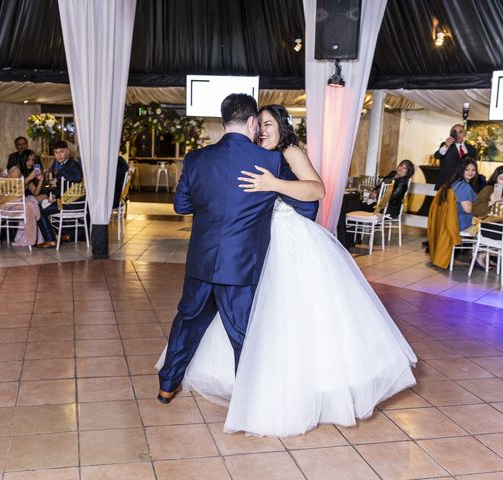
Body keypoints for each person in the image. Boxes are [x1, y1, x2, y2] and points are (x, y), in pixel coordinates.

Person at [156, 103, 417, 437]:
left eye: (268, 124)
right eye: (260, 124)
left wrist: (273, 184)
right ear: (250, 124)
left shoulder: (283, 154)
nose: (263, 130)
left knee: (269, 319)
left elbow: (316, 192)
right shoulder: (253, 155)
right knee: (242, 326)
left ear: (279, 125)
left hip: (280, 243)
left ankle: (252, 393)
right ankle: (241, 390)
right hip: (249, 252)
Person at [156, 94, 321, 405]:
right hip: (241, 266)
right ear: (251, 122)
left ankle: (167, 386)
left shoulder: (196, 159)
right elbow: (308, 204)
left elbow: (181, 205)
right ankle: (248, 400)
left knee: (187, 321)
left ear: (223, 121)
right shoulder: (271, 163)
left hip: (201, 262)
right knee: (243, 334)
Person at [36, 141, 84, 248]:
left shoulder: (74, 164)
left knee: (39, 211)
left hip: (73, 203)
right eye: (56, 152)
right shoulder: (56, 164)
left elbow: (77, 178)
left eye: (61, 152)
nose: (59, 155)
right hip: (63, 201)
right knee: (39, 206)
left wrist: (59, 177)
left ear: (67, 151)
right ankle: (59, 235)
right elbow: (56, 185)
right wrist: (52, 195)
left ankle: (50, 239)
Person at [0, 165, 41, 250]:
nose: (14, 179)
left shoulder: (21, 181)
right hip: (8, 208)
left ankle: (30, 240)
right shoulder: (4, 183)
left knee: (32, 204)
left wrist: (39, 180)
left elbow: (34, 192)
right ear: (8, 175)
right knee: (31, 205)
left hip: (14, 208)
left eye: (17, 177)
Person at [434, 123, 477, 190]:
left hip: (464, 185)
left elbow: (473, 166)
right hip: (447, 184)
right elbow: (437, 156)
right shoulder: (446, 146)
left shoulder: (471, 149)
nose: (457, 135)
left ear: (464, 134)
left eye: (460, 132)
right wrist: (446, 146)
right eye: (455, 132)